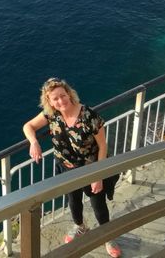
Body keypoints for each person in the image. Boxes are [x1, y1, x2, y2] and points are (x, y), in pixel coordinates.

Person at [22, 77, 121, 258]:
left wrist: (98, 175)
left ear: (69, 94)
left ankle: (108, 236)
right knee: (73, 201)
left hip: (91, 168)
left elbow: (103, 146)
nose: (60, 101)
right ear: (49, 102)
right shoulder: (51, 114)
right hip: (66, 167)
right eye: (55, 99)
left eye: (62, 96)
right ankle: (80, 227)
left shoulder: (88, 116)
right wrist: (34, 142)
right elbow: (28, 126)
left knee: (98, 204)